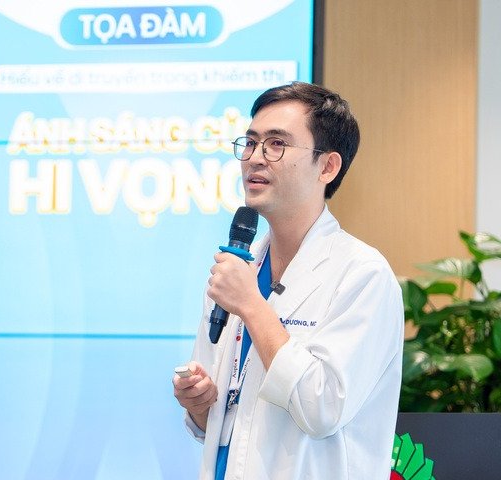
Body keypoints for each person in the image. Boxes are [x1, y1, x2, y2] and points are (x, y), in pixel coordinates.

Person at [173, 82, 404, 479]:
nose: (254, 158)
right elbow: (228, 419)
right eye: (250, 143)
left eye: (276, 144)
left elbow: (323, 409)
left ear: (327, 167)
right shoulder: (237, 269)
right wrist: (199, 405)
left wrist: (252, 306)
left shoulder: (363, 275)